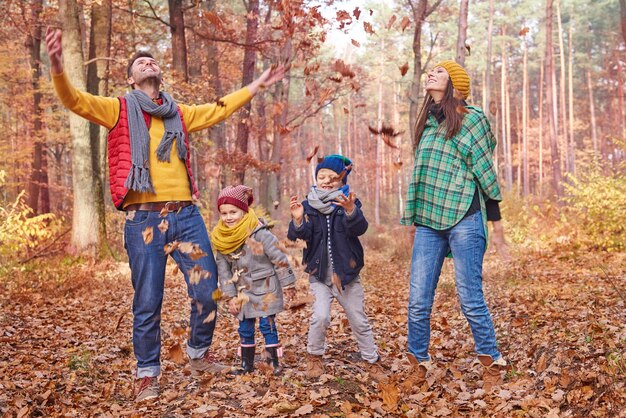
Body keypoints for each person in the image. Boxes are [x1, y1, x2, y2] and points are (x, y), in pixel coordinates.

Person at [44, 27, 286, 402]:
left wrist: (257, 84)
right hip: (144, 221)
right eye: (141, 62)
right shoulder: (118, 109)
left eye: (151, 60)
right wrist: (58, 66)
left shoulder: (180, 114)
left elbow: (219, 108)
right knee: (148, 300)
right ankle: (147, 374)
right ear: (131, 77)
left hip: (186, 217)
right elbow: (74, 100)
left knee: (208, 291)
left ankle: (197, 354)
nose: (148, 62)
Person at [401, 60, 507, 391]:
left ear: (454, 84)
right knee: (418, 298)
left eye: (439, 72)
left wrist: (497, 224)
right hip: (430, 222)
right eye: (430, 70)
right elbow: (423, 174)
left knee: (469, 296)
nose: (430, 74)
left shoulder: (471, 119)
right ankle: (418, 364)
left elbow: (484, 172)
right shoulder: (426, 123)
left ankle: (491, 364)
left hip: (466, 216)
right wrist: (415, 218)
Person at [287, 155, 386, 381]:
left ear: (342, 181)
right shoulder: (308, 205)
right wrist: (298, 220)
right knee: (320, 317)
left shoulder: (349, 202)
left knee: (358, 319)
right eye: (322, 176)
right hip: (320, 276)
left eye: (333, 177)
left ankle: (371, 360)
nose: (327, 181)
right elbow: (296, 236)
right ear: (316, 179)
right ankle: (314, 356)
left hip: (347, 276)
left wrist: (351, 210)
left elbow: (359, 228)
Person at [210, 185, 296, 375]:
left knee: (267, 325)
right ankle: (246, 365)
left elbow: (279, 258)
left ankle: (273, 362)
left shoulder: (260, 233)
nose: (228, 217)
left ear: (244, 210)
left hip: (266, 288)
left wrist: (288, 283)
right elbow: (223, 271)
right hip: (242, 292)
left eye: (233, 212)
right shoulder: (223, 239)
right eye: (223, 213)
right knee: (245, 328)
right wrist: (230, 296)